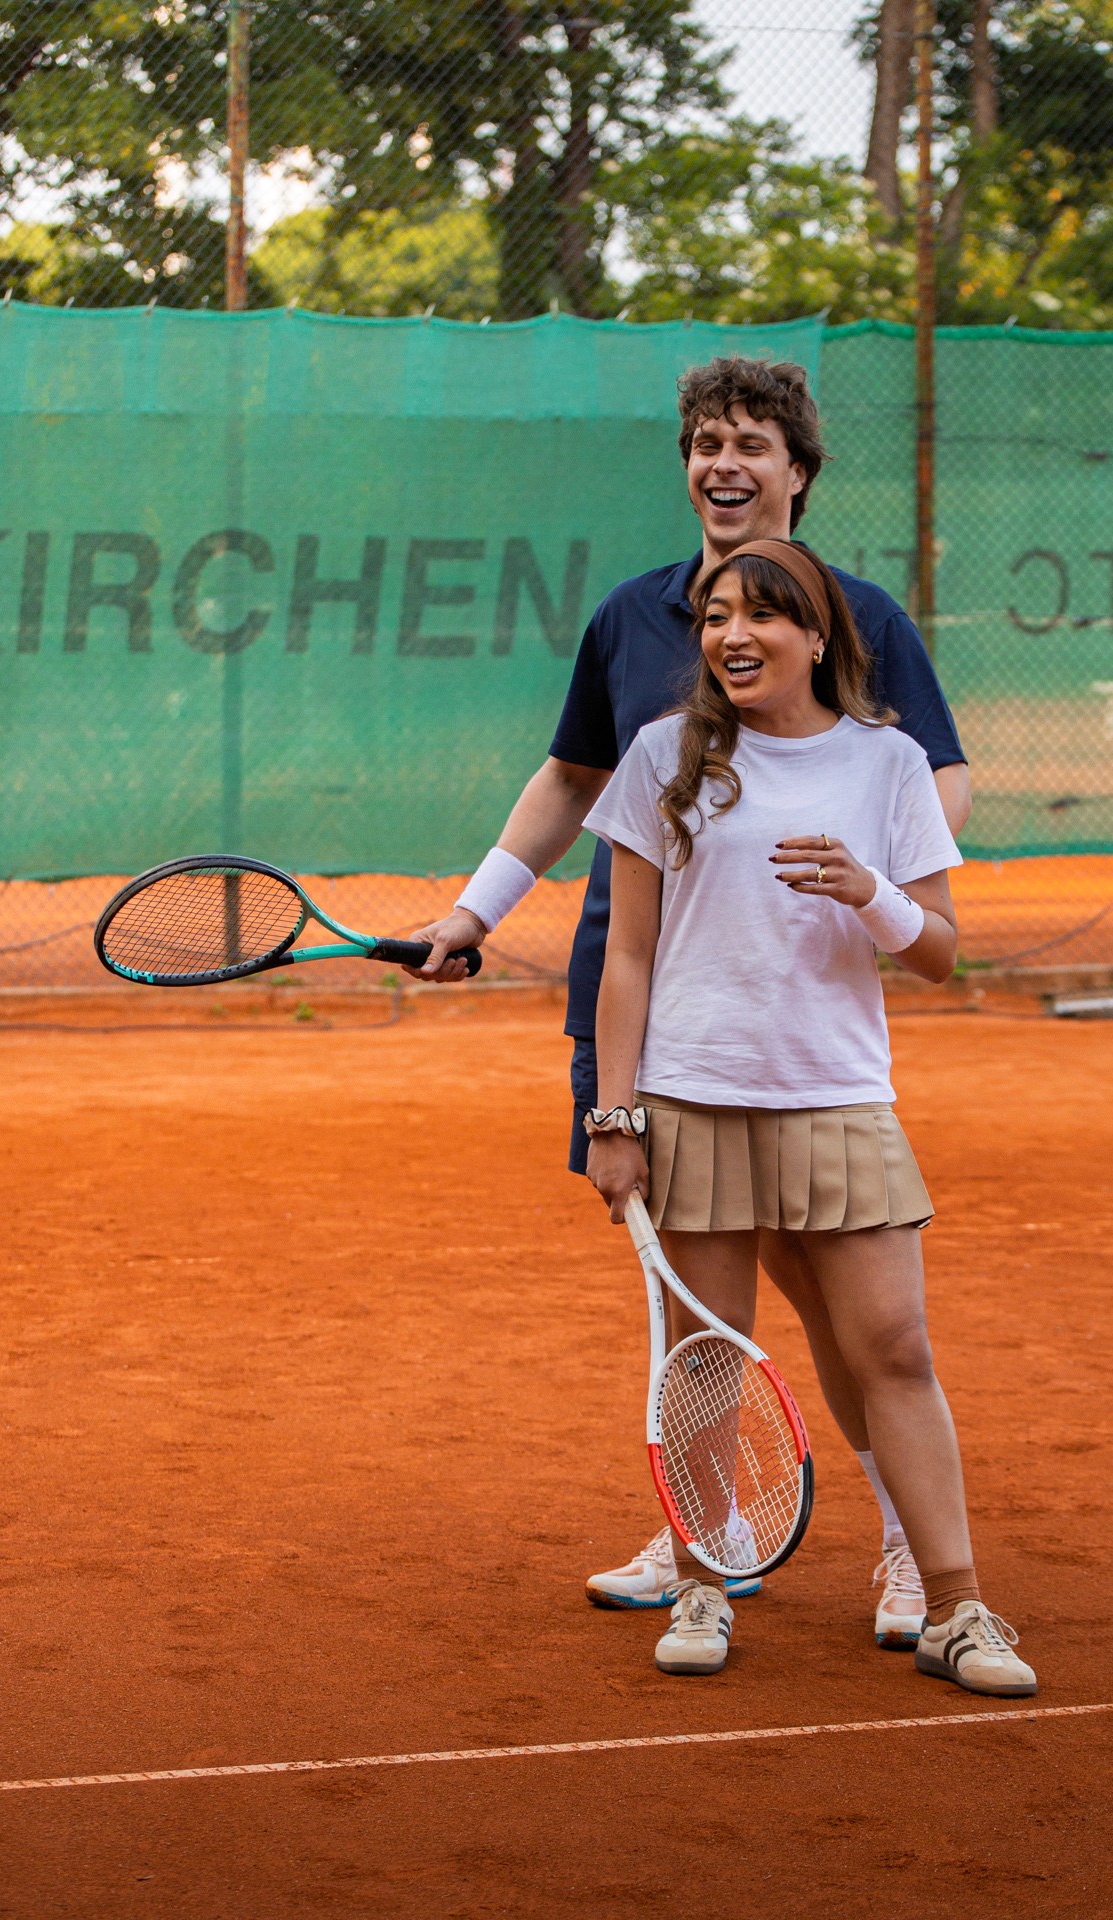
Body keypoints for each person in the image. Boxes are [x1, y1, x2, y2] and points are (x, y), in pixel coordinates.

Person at [407, 357, 970, 1649]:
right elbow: (568, 780)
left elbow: (931, 786)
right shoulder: (633, 617)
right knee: (699, 1307)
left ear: (800, 470)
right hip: (652, 1014)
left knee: (848, 1315)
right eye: (705, 442)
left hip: (802, 1027)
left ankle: (903, 1544)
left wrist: (862, 886)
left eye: (753, 443)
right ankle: (708, 1538)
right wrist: (473, 914)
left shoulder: (862, 612)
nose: (725, 463)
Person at [582, 537, 1035, 1693]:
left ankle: (957, 1608)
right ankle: (699, 1583)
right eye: (715, 617)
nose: (732, 635)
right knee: (704, 1359)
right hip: (692, 1093)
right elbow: (625, 955)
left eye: (761, 617)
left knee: (894, 1346)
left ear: (819, 635)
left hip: (839, 1095)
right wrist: (615, 1115)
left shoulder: (887, 764)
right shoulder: (662, 756)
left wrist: (866, 890)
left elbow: (936, 950)